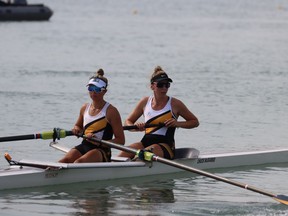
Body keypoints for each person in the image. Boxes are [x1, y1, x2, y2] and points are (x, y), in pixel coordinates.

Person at [118, 66, 199, 160]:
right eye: (160, 85)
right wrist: (136, 127)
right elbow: (128, 121)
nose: (164, 88)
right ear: (152, 86)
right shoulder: (144, 102)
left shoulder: (175, 104)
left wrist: (177, 123)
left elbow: (195, 122)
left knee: (141, 156)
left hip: (166, 146)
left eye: (167, 85)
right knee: (121, 156)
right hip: (145, 143)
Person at [59, 69, 125, 163]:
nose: (93, 93)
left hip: (101, 151)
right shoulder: (84, 108)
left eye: (97, 89)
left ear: (104, 91)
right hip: (85, 145)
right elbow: (78, 125)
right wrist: (76, 129)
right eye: (91, 89)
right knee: (63, 161)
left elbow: (121, 140)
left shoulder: (111, 111)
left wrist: (99, 142)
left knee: (78, 163)